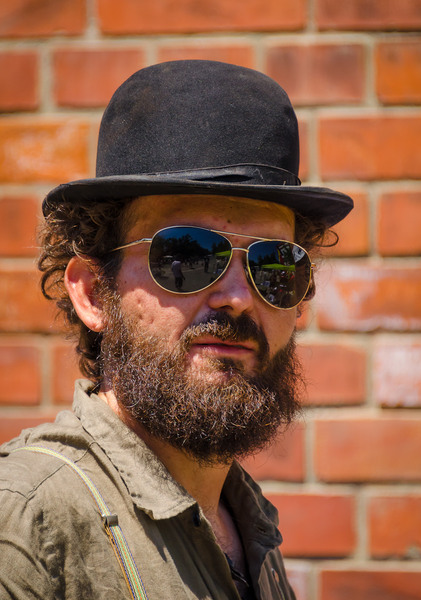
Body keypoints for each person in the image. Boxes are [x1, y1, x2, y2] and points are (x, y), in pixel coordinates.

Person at [0, 60, 353, 600]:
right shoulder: (27, 523)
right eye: (188, 255)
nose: (238, 298)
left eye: (274, 264)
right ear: (94, 293)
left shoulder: (247, 520)